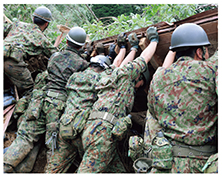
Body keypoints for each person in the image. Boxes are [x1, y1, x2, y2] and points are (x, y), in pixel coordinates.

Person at [46, 31, 141, 173]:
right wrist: (126, 49)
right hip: (84, 130)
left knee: (54, 168)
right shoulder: (100, 79)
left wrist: (107, 54)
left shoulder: (75, 77)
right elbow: (117, 69)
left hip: (65, 127)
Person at [3, 27, 89, 173]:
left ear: (67, 41)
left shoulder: (55, 57)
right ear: (81, 46)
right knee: (53, 144)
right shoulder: (82, 65)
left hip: (39, 102)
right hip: (57, 107)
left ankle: (5, 166)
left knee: (25, 137)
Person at [77, 26, 158, 173]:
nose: (139, 87)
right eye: (141, 84)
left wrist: (129, 48)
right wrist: (154, 41)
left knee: (118, 170)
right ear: (138, 77)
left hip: (92, 128)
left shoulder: (107, 75)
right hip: (103, 134)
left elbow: (118, 63)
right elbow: (144, 58)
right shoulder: (127, 75)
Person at [145, 23, 218, 173]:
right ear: (199, 51)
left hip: (165, 165)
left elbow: (152, 114)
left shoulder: (158, 77)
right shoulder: (210, 71)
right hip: (202, 164)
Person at [4, 6, 57, 98]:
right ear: (46, 24)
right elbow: (55, 55)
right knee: (29, 91)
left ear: (33, 18)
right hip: (11, 63)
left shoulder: (17, 24)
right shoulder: (42, 39)